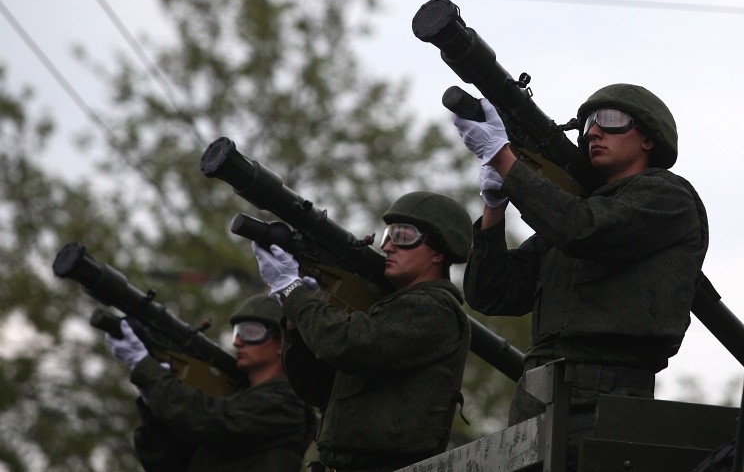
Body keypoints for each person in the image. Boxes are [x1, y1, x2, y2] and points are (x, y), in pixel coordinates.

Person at [453, 83, 708, 469]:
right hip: (536, 394)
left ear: (648, 138)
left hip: (608, 398)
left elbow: (583, 230)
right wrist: (493, 208)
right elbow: (492, 293)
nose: (592, 131)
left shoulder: (666, 198)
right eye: (588, 122)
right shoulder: (574, 217)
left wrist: (505, 161)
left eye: (610, 120)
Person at [251, 191, 473, 472]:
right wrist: (295, 318)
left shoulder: (435, 309)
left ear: (439, 251)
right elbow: (317, 389)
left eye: (403, 236)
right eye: (387, 236)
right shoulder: (386, 310)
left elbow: (347, 344)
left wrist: (295, 294)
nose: (389, 247)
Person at [105, 293, 316, 472]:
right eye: (236, 332)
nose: (237, 342)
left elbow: (213, 421)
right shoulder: (234, 402)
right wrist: (151, 398)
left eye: (251, 332)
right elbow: (163, 461)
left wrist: (148, 371)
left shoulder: (289, 405)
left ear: (282, 343)